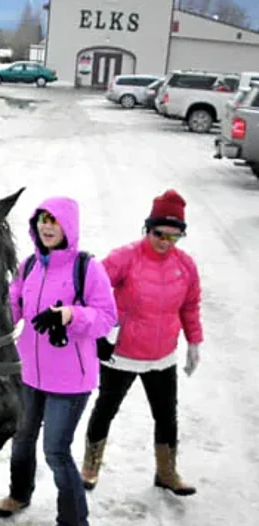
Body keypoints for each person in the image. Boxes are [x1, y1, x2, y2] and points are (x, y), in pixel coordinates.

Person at [0, 197, 118, 526]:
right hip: (29, 372)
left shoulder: (86, 267)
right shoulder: (30, 265)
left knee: (56, 451)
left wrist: (70, 314)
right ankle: (19, 493)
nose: (47, 226)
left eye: (54, 220)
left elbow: (107, 317)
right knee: (22, 439)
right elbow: (12, 304)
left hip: (70, 379)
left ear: (68, 225)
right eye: (42, 219)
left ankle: (74, 521)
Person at [80, 190, 201, 497]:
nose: (165, 242)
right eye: (159, 233)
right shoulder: (125, 257)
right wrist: (98, 331)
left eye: (174, 237)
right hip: (122, 353)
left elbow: (190, 305)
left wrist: (194, 342)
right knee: (106, 408)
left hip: (162, 357)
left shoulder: (185, 266)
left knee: (166, 415)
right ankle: (91, 466)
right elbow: (92, 288)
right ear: (147, 229)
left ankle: (167, 472)